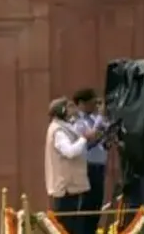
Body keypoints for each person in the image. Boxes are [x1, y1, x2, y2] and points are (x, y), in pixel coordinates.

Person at [45, 97, 96, 234]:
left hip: (72, 187)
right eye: (70, 107)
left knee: (75, 225)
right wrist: (84, 138)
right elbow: (70, 152)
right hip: (66, 188)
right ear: (62, 110)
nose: (73, 110)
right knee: (68, 227)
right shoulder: (58, 131)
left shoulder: (66, 127)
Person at [71, 89, 108, 234]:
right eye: (92, 103)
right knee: (86, 206)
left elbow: (102, 136)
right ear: (81, 103)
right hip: (87, 168)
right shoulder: (78, 122)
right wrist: (100, 118)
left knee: (96, 206)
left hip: (99, 166)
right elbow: (89, 138)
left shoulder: (94, 119)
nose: (95, 106)